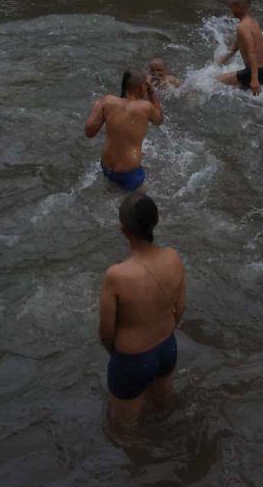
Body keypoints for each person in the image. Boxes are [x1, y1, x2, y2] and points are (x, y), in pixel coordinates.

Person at [99, 193, 186, 429]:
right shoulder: (173, 257)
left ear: (122, 228)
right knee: (165, 409)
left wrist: (119, 358)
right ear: (156, 220)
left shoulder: (116, 275)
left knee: (123, 430)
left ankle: (141, 464)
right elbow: (180, 308)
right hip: (167, 348)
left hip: (132, 360)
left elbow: (106, 333)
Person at [85, 69, 164, 191]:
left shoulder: (107, 101)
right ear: (140, 88)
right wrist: (151, 91)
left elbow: (89, 132)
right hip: (129, 172)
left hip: (106, 167)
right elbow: (159, 120)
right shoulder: (145, 107)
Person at [216, 0, 263, 96]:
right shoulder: (252, 22)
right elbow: (235, 47)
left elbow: (251, 52)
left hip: (257, 73)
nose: (231, 10)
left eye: (231, 7)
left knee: (216, 81)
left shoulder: (241, 27)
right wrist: (221, 61)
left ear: (238, 7)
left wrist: (254, 80)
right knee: (237, 88)